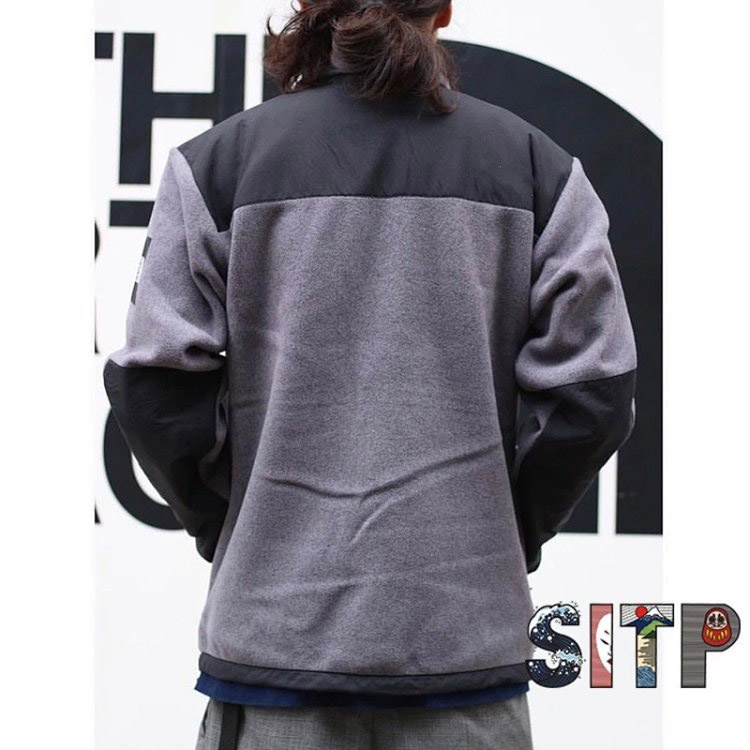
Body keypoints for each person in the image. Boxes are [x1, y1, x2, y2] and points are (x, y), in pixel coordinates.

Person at [102, 0, 638, 747]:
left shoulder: (217, 166)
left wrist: (240, 527)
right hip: (464, 655)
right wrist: (503, 527)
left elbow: (155, 386)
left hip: (276, 650)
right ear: (443, 9)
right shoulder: (536, 168)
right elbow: (594, 394)